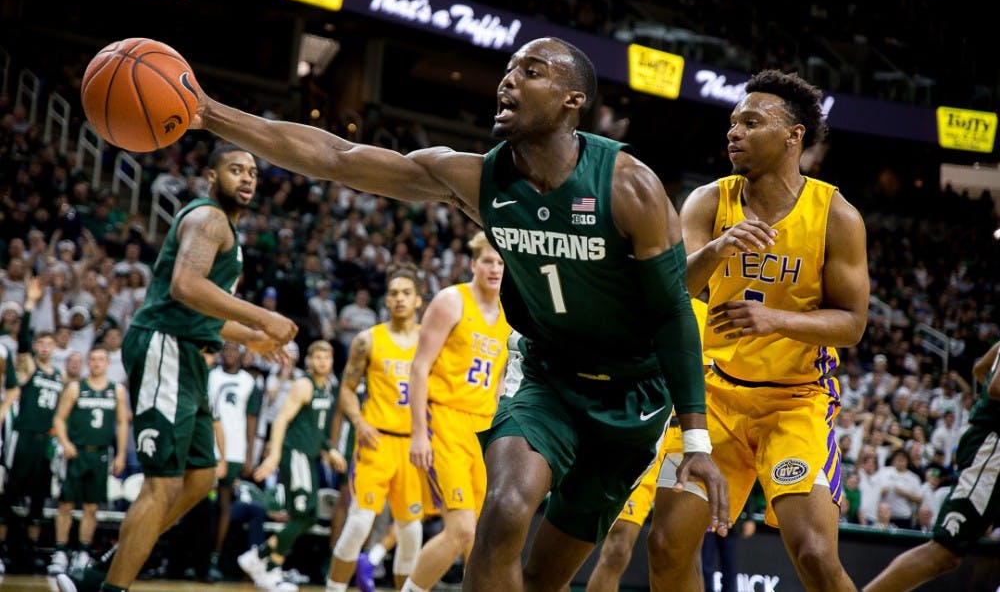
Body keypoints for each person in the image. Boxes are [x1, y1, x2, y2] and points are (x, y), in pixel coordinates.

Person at [188, 35, 726, 591]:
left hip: (632, 395)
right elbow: (338, 158)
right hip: (548, 378)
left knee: (543, 578)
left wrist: (696, 441)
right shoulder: (479, 178)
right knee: (504, 514)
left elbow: (671, 313)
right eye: (509, 69)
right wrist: (211, 114)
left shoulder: (628, 185)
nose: (508, 80)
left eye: (531, 72)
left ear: (572, 101)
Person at [650, 69, 869, 591]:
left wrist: (777, 320)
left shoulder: (836, 216)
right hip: (713, 397)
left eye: (751, 122)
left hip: (794, 402)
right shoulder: (709, 200)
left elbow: (853, 324)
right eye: (732, 122)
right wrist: (718, 249)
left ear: (794, 136)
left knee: (814, 554)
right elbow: (670, 289)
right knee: (665, 547)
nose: (735, 132)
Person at [56, 144, 298, 592]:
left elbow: (200, 308)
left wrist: (252, 339)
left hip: (186, 354)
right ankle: (111, 587)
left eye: (252, 173)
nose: (246, 178)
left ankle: (100, 571)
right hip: (164, 347)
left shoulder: (227, 232)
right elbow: (186, 287)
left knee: (202, 476)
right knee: (162, 484)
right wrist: (260, 317)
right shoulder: (208, 219)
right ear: (211, 176)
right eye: (235, 170)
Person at [402, 231, 512, 592]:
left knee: (480, 534)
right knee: (461, 528)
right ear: (473, 263)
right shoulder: (451, 300)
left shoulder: (509, 312)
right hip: (444, 419)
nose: (494, 268)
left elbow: (498, 380)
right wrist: (419, 432)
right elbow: (419, 367)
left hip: (482, 427)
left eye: (500, 262)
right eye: (487, 261)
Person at [584, 298, 710, 592]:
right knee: (617, 545)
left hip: (687, 441)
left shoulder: (716, 312)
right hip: (649, 431)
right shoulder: (653, 302)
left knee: (688, 552)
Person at [863, 339, 1000, 592]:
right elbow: (995, 387)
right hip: (992, 449)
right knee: (946, 550)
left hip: (985, 441)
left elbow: (980, 369)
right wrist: (987, 409)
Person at [325, 269, 426, 592]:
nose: (399, 298)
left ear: (418, 300)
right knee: (358, 524)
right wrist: (359, 421)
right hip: (376, 440)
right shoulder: (367, 339)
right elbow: (346, 388)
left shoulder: (431, 341)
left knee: (411, 533)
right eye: (394, 292)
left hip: (413, 445)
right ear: (387, 299)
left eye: (406, 292)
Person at [238, 340, 347, 592]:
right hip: (294, 454)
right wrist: (274, 455)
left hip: (309, 456)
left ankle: (265, 562)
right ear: (308, 361)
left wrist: (330, 450)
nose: (322, 362)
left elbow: (317, 428)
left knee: (308, 517)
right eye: (317, 357)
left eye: (326, 358)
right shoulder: (303, 385)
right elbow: (280, 420)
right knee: (302, 514)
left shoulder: (328, 387)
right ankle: (264, 562)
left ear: (331, 362)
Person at [48, 345, 129, 576]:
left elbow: (123, 423)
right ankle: (61, 551)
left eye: (101, 359)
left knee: (92, 507)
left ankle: (83, 551)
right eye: (92, 359)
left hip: (101, 453)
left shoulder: (117, 391)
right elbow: (59, 418)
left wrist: (121, 453)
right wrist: (65, 442)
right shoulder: (76, 387)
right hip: (77, 452)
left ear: (107, 363)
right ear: (88, 363)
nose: (96, 363)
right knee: (66, 504)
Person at [0, 278, 63, 573]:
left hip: (45, 441)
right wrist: (29, 305)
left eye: (49, 343)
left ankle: (32, 552)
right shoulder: (29, 366)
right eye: (41, 343)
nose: (45, 347)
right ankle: (4, 551)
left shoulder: (60, 377)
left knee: (38, 500)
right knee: (10, 495)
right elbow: (22, 342)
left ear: (55, 348)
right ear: (37, 346)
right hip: (23, 437)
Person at [207, 340, 263, 582]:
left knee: (224, 505)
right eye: (226, 349)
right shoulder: (210, 376)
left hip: (235, 452)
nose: (229, 353)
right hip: (207, 449)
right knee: (200, 505)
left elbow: (252, 423)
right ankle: (194, 556)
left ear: (242, 354)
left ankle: (215, 558)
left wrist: (250, 456)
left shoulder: (249, 382)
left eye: (234, 350)